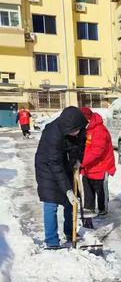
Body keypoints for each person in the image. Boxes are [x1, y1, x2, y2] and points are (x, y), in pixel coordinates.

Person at [34, 106, 87, 249]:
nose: (76, 133)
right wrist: (67, 190)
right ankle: (52, 241)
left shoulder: (80, 129)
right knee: (51, 202)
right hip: (47, 166)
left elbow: (80, 146)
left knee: (71, 202)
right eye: (73, 131)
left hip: (65, 163)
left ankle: (71, 232)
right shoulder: (52, 134)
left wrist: (78, 160)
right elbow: (55, 165)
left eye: (77, 130)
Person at [79, 107, 116, 217]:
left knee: (100, 189)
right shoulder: (86, 129)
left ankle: (102, 208)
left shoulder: (99, 130)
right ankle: (89, 208)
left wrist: (81, 162)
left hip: (101, 166)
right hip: (88, 167)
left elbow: (96, 151)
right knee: (87, 186)